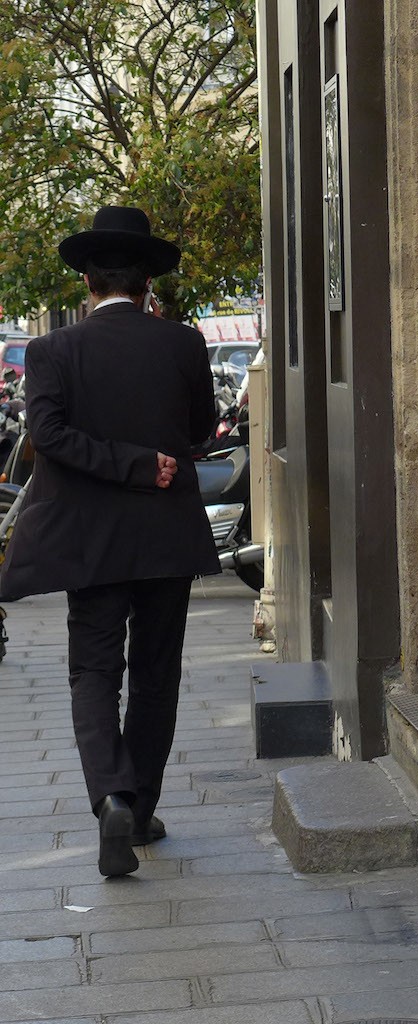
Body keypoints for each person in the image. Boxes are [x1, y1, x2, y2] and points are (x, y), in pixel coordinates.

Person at [0, 206, 221, 877]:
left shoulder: (51, 351)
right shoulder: (183, 344)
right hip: (165, 535)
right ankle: (141, 805)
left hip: (88, 541)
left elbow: (49, 439)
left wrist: (119, 463)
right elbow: (202, 428)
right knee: (155, 675)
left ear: (88, 282)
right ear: (147, 284)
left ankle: (113, 798)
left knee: (93, 672)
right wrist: (146, 461)